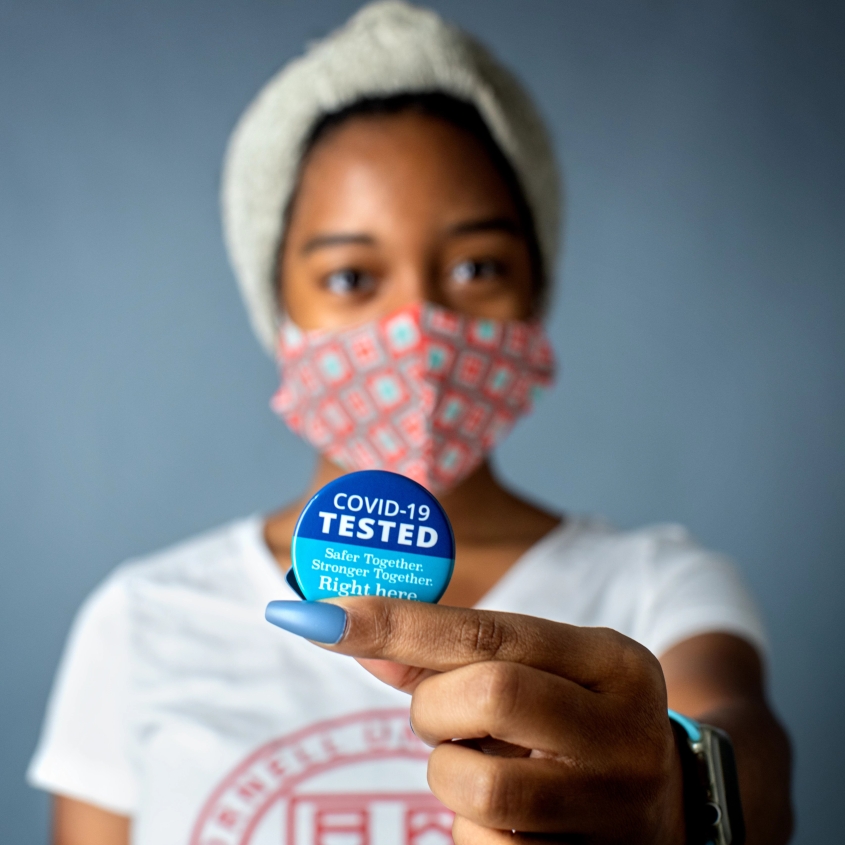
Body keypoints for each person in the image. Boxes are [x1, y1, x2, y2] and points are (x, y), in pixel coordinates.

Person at [28, 3, 792, 844]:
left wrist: (681, 791)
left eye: (475, 267)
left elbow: (746, 748)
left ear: (533, 294)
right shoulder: (143, 616)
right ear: (278, 310)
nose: (417, 323)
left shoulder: (658, 585)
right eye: (353, 277)